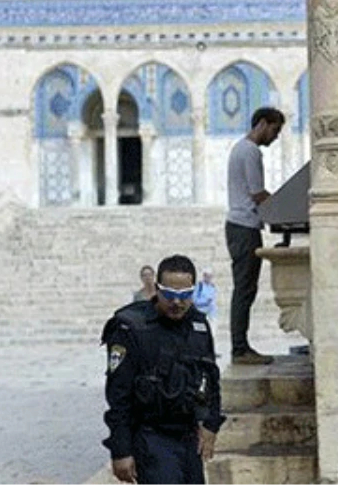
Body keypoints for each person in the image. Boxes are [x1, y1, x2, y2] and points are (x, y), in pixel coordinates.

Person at [101, 254, 225, 484]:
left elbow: (211, 377)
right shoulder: (131, 328)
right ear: (157, 289)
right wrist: (121, 450)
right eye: (169, 294)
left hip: (189, 437)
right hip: (152, 437)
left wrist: (211, 424)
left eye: (185, 295)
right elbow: (118, 394)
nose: (177, 302)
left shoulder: (198, 325)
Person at [224, 106, 284, 365]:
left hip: (242, 225)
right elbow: (258, 194)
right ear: (262, 123)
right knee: (244, 289)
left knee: (245, 289)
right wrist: (284, 208)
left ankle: (241, 346)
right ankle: (239, 349)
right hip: (244, 227)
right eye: (275, 129)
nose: (276, 136)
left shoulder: (241, 149)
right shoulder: (249, 151)